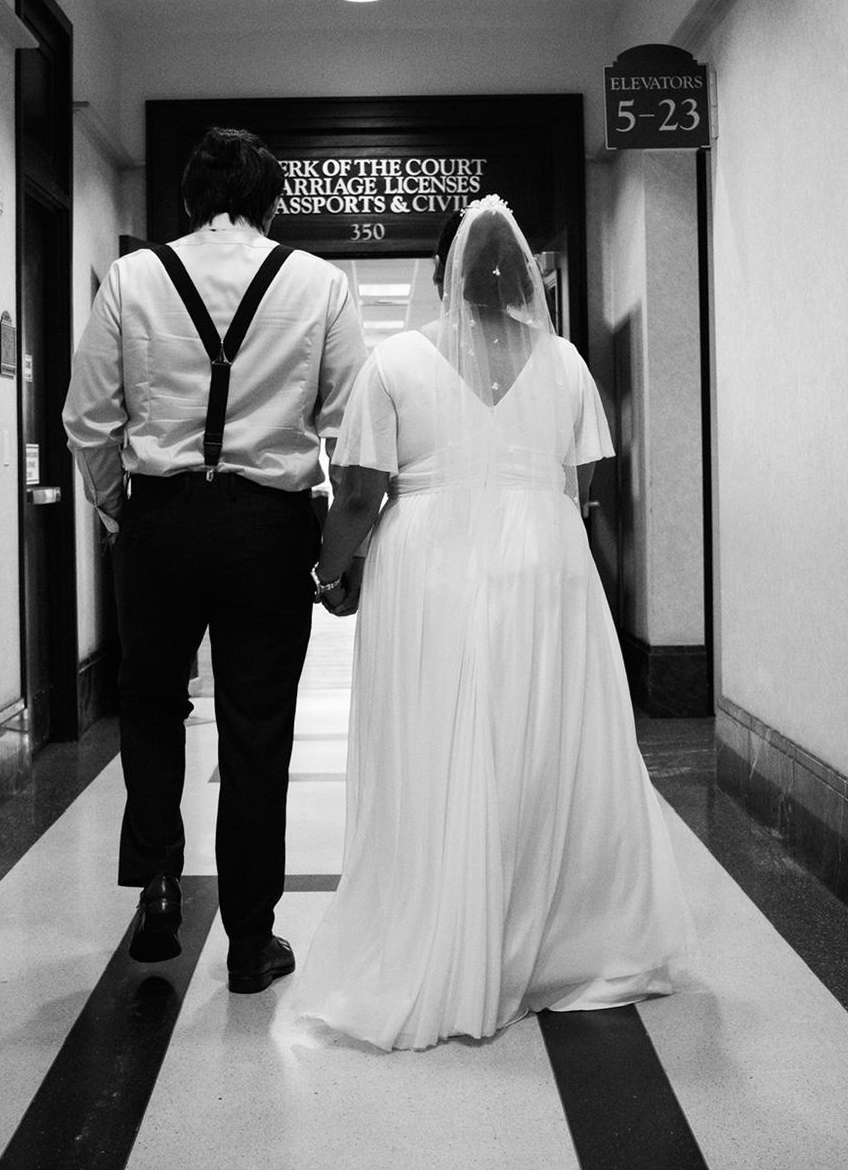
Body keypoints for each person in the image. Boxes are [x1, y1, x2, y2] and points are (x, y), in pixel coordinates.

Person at [293, 195, 689, 1049]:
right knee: (540, 737)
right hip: (546, 563)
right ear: (520, 278)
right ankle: (553, 933)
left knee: (438, 734)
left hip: (430, 566)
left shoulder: (396, 361)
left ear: (443, 275)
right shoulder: (566, 363)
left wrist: (331, 571)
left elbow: (358, 491)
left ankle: (448, 922)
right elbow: (585, 484)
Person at [63, 126, 366, 994]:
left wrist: (121, 510)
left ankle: (160, 880)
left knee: (151, 703)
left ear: (190, 200)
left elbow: (88, 420)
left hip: (160, 520)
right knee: (256, 728)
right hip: (269, 526)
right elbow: (353, 427)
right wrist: (341, 548)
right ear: (272, 204)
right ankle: (250, 940)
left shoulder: (133, 278)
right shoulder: (319, 283)